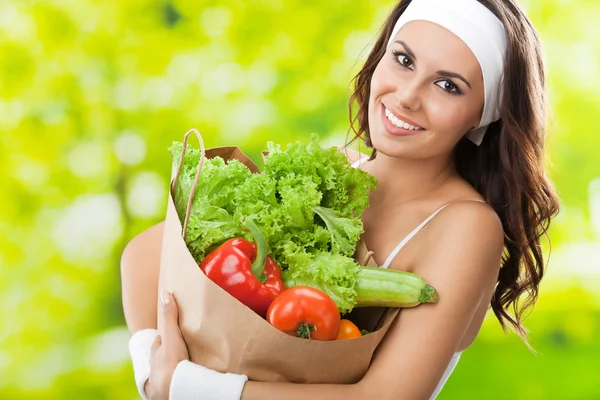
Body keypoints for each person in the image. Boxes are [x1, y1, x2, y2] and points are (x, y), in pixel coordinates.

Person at [121, 0, 560, 398]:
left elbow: (387, 397)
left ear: (483, 114)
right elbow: (144, 255)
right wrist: (154, 376)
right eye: (403, 59)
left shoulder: (467, 226)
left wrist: (189, 386)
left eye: (448, 86)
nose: (407, 96)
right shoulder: (333, 174)